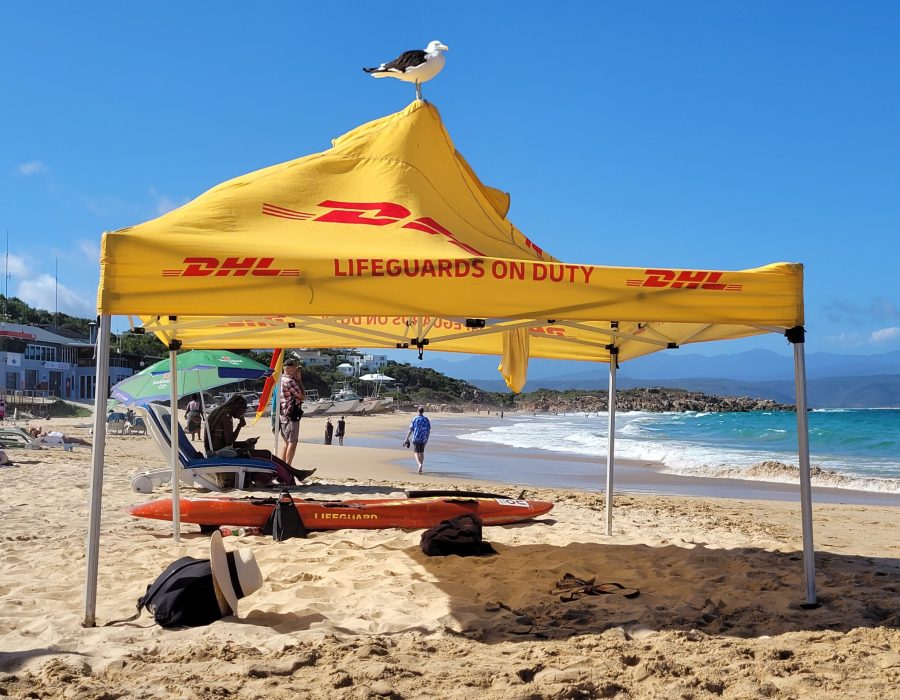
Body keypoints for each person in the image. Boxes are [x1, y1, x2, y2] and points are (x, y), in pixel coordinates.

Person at [205, 394, 304, 486]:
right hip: (220, 454)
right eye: (243, 410)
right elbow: (229, 442)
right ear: (237, 407)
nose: (243, 414)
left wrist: (244, 443)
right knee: (266, 453)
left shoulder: (218, 413)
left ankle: (290, 474)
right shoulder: (226, 417)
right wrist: (239, 426)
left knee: (251, 447)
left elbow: (223, 442)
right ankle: (295, 472)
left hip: (215, 451)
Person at [277, 358, 305, 466]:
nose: (296, 371)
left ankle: (281, 466)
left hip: (282, 413)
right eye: (295, 368)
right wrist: (300, 381)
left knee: (286, 442)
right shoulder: (290, 381)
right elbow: (302, 397)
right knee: (293, 442)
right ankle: (287, 467)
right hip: (291, 414)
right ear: (287, 368)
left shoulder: (280, 379)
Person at [403, 407, 431, 474]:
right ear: (423, 411)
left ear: (417, 411)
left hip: (416, 438)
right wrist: (427, 438)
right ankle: (421, 467)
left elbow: (411, 429)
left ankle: (419, 464)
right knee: (421, 453)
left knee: (416, 453)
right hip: (423, 438)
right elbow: (428, 430)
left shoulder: (414, 419)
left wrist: (406, 438)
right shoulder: (426, 419)